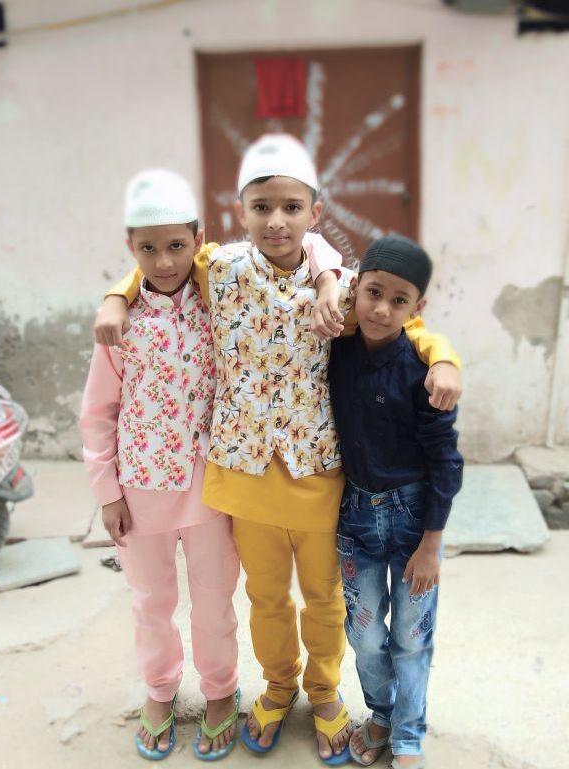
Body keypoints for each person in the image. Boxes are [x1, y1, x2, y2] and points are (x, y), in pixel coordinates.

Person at [95, 135, 462, 765]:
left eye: (292, 208)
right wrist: (115, 295)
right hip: (243, 474)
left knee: (324, 598)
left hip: (318, 472)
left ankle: (323, 693)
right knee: (265, 598)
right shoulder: (217, 269)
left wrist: (444, 359)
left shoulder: (343, 289)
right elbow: (157, 260)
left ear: (315, 213)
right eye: (261, 207)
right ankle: (276, 686)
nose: (276, 221)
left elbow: (407, 323)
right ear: (239, 211)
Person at [80, 169, 240, 762]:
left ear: (199, 239)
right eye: (148, 248)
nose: (164, 261)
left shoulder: (222, 305)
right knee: (150, 601)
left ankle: (220, 690)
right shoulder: (118, 325)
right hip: (140, 490)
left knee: (215, 598)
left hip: (211, 489)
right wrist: (107, 492)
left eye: (177, 245)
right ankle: (160, 689)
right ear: (130, 246)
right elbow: (98, 412)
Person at [328, 235, 464, 768]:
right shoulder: (336, 350)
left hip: (412, 519)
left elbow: (446, 462)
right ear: (355, 289)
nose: (382, 309)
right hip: (356, 516)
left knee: (411, 636)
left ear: (417, 307)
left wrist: (431, 545)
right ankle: (381, 713)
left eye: (399, 300)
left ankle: (407, 735)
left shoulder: (423, 371)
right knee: (364, 634)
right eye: (373, 293)